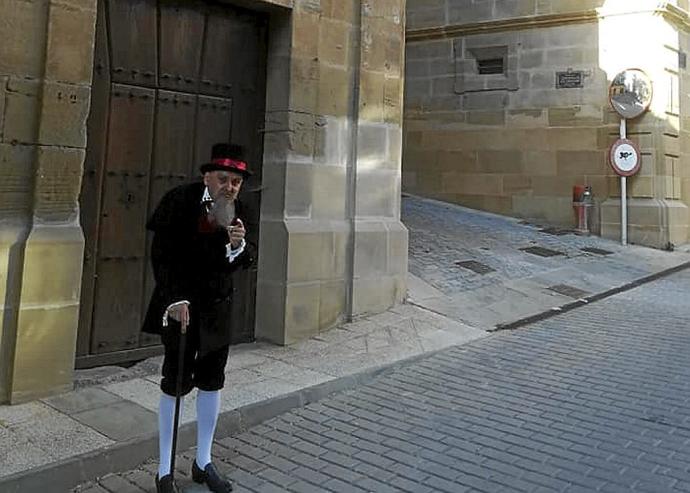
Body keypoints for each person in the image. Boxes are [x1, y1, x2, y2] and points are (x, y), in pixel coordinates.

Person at [142, 143, 255, 493]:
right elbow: (161, 256)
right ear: (207, 176)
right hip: (182, 309)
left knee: (212, 381)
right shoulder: (178, 201)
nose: (230, 187)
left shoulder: (239, 212)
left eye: (236, 181)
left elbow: (245, 259)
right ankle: (164, 470)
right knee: (174, 382)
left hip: (217, 311)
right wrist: (174, 299)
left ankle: (203, 461)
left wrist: (237, 246)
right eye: (224, 179)